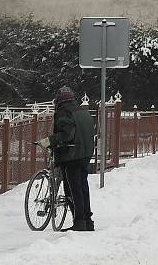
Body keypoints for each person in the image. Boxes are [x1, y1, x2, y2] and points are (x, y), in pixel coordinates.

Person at [38, 87, 95, 231]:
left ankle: (79, 221)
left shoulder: (64, 112)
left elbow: (66, 134)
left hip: (72, 155)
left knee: (72, 189)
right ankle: (88, 221)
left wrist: (48, 141)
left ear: (59, 100)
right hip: (86, 153)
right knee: (82, 187)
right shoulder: (82, 111)